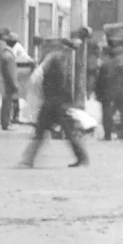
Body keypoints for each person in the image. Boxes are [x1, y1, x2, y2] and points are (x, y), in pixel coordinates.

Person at [21, 32, 91, 168]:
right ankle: (81, 158)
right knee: (53, 131)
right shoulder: (61, 59)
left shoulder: (57, 59)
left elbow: (56, 81)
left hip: (55, 102)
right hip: (58, 101)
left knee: (46, 131)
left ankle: (28, 159)